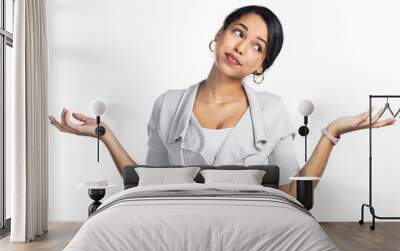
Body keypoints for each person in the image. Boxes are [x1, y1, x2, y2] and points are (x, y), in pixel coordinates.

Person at [48, 5, 395, 198]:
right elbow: (145, 184)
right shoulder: (167, 105)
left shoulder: (273, 110)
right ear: (219, 35)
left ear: (261, 65)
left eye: (258, 46)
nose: (243, 47)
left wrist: (331, 133)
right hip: (179, 224)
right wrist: (106, 135)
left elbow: (293, 195)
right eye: (239, 32)